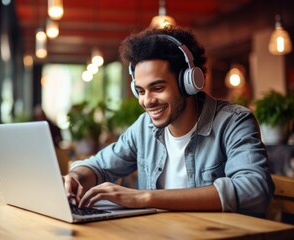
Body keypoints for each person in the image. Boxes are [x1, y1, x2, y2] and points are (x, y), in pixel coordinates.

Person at [63, 26, 274, 217]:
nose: (147, 101)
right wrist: (75, 178)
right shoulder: (143, 127)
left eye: (157, 88)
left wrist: (144, 197)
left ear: (188, 83)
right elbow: (99, 166)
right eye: (140, 90)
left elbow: (253, 189)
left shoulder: (234, 122)